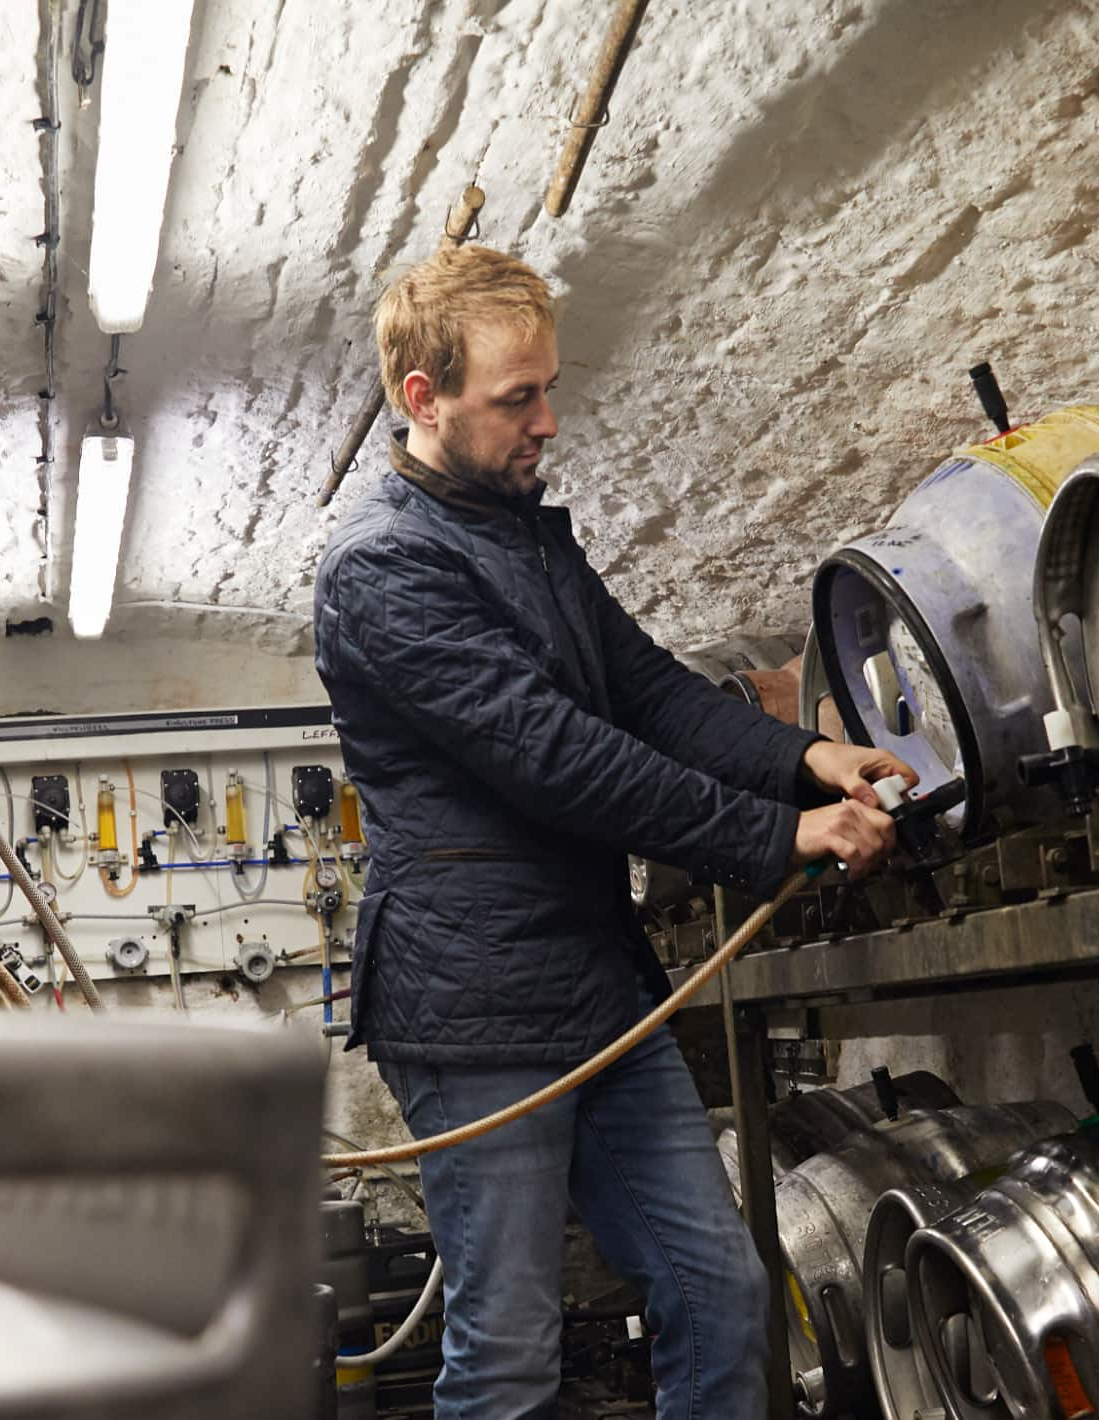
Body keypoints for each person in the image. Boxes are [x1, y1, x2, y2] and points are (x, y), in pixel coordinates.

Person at [313, 242, 913, 1419]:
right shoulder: (382, 568)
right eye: (515, 398)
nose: (547, 422)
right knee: (508, 1352)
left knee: (719, 1288)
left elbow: (647, 692)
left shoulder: (524, 531)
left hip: (592, 986)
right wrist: (777, 835)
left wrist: (806, 756)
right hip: (476, 1004)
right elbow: (559, 758)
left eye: (548, 388)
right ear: (421, 400)